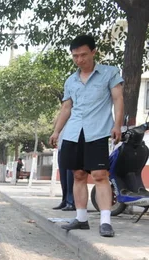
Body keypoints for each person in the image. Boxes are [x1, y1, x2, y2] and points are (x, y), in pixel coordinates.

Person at [49, 34, 124, 237]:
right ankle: (81, 218)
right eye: (75, 56)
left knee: (100, 176)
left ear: (93, 52)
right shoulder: (71, 80)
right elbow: (66, 108)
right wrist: (57, 131)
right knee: (78, 175)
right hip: (73, 133)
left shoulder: (109, 73)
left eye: (83, 55)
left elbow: (118, 99)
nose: (79, 60)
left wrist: (117, 125)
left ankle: (105, 221)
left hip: (98, 132)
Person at [53, 133, 75, 211]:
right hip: (61, 147)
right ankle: (65, 200)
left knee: (70, 178)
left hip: (71, 146)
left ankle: (71, 201)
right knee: (63, 178)